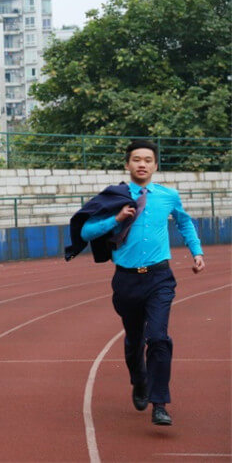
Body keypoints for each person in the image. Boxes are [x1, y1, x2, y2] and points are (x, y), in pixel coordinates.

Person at [65, 140, 205, 426]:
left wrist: (197, 251)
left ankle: (159, 402)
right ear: (127, 164)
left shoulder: (168, 196)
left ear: (155, 165)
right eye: (137, 159)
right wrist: (115, 219)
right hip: (127, 280)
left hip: (159, 277)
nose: (142, 164)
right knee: (134, 341)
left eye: (148, 160)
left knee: (158, 337)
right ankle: (139, 380)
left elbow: (184, 222)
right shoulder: (114, 197)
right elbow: (87, 230)